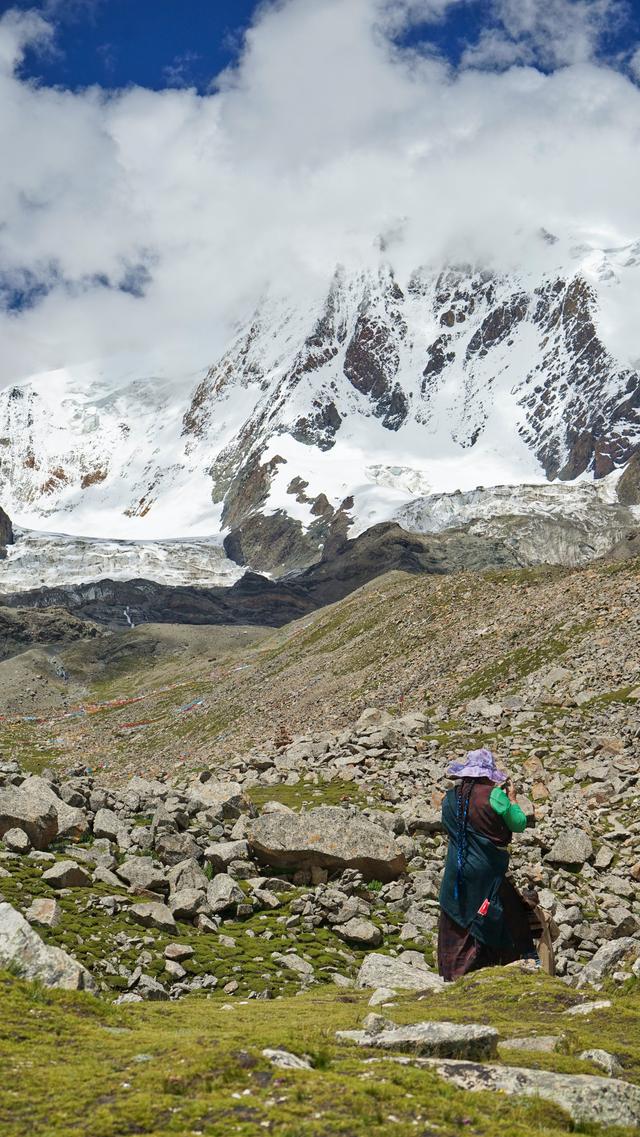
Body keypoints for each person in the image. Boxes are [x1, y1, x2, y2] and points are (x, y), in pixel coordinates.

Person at [437, 747, 538, 981]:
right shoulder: (494, 795)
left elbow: (450, 828)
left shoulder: (450, 798)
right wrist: (512, 800)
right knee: (494, 910)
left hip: (457, 869)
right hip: (487, 871)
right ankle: (507, 961)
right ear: (487, 775)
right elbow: (519, 823)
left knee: (457, 914)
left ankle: (452, 973)